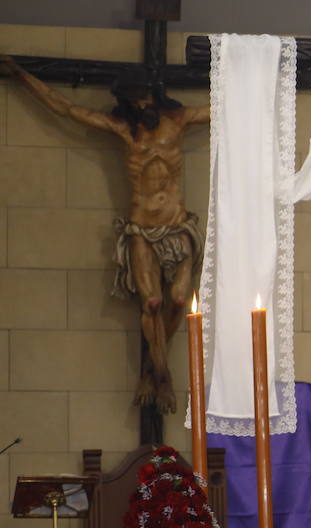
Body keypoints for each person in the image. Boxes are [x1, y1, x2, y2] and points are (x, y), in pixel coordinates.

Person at [0, 58, 208, 414]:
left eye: (143, 96)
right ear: (125, 100)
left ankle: (149, 369)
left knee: (177, 300)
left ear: (154, 93)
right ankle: (161, 374)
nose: (140, 104)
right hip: (142, 228)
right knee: (153, 304)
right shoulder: (121, 129)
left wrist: (263, 70)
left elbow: (229, 105)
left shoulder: (179, 120)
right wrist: (19, 73)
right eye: (132, 98)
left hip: (177, 224)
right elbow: (64, 108)